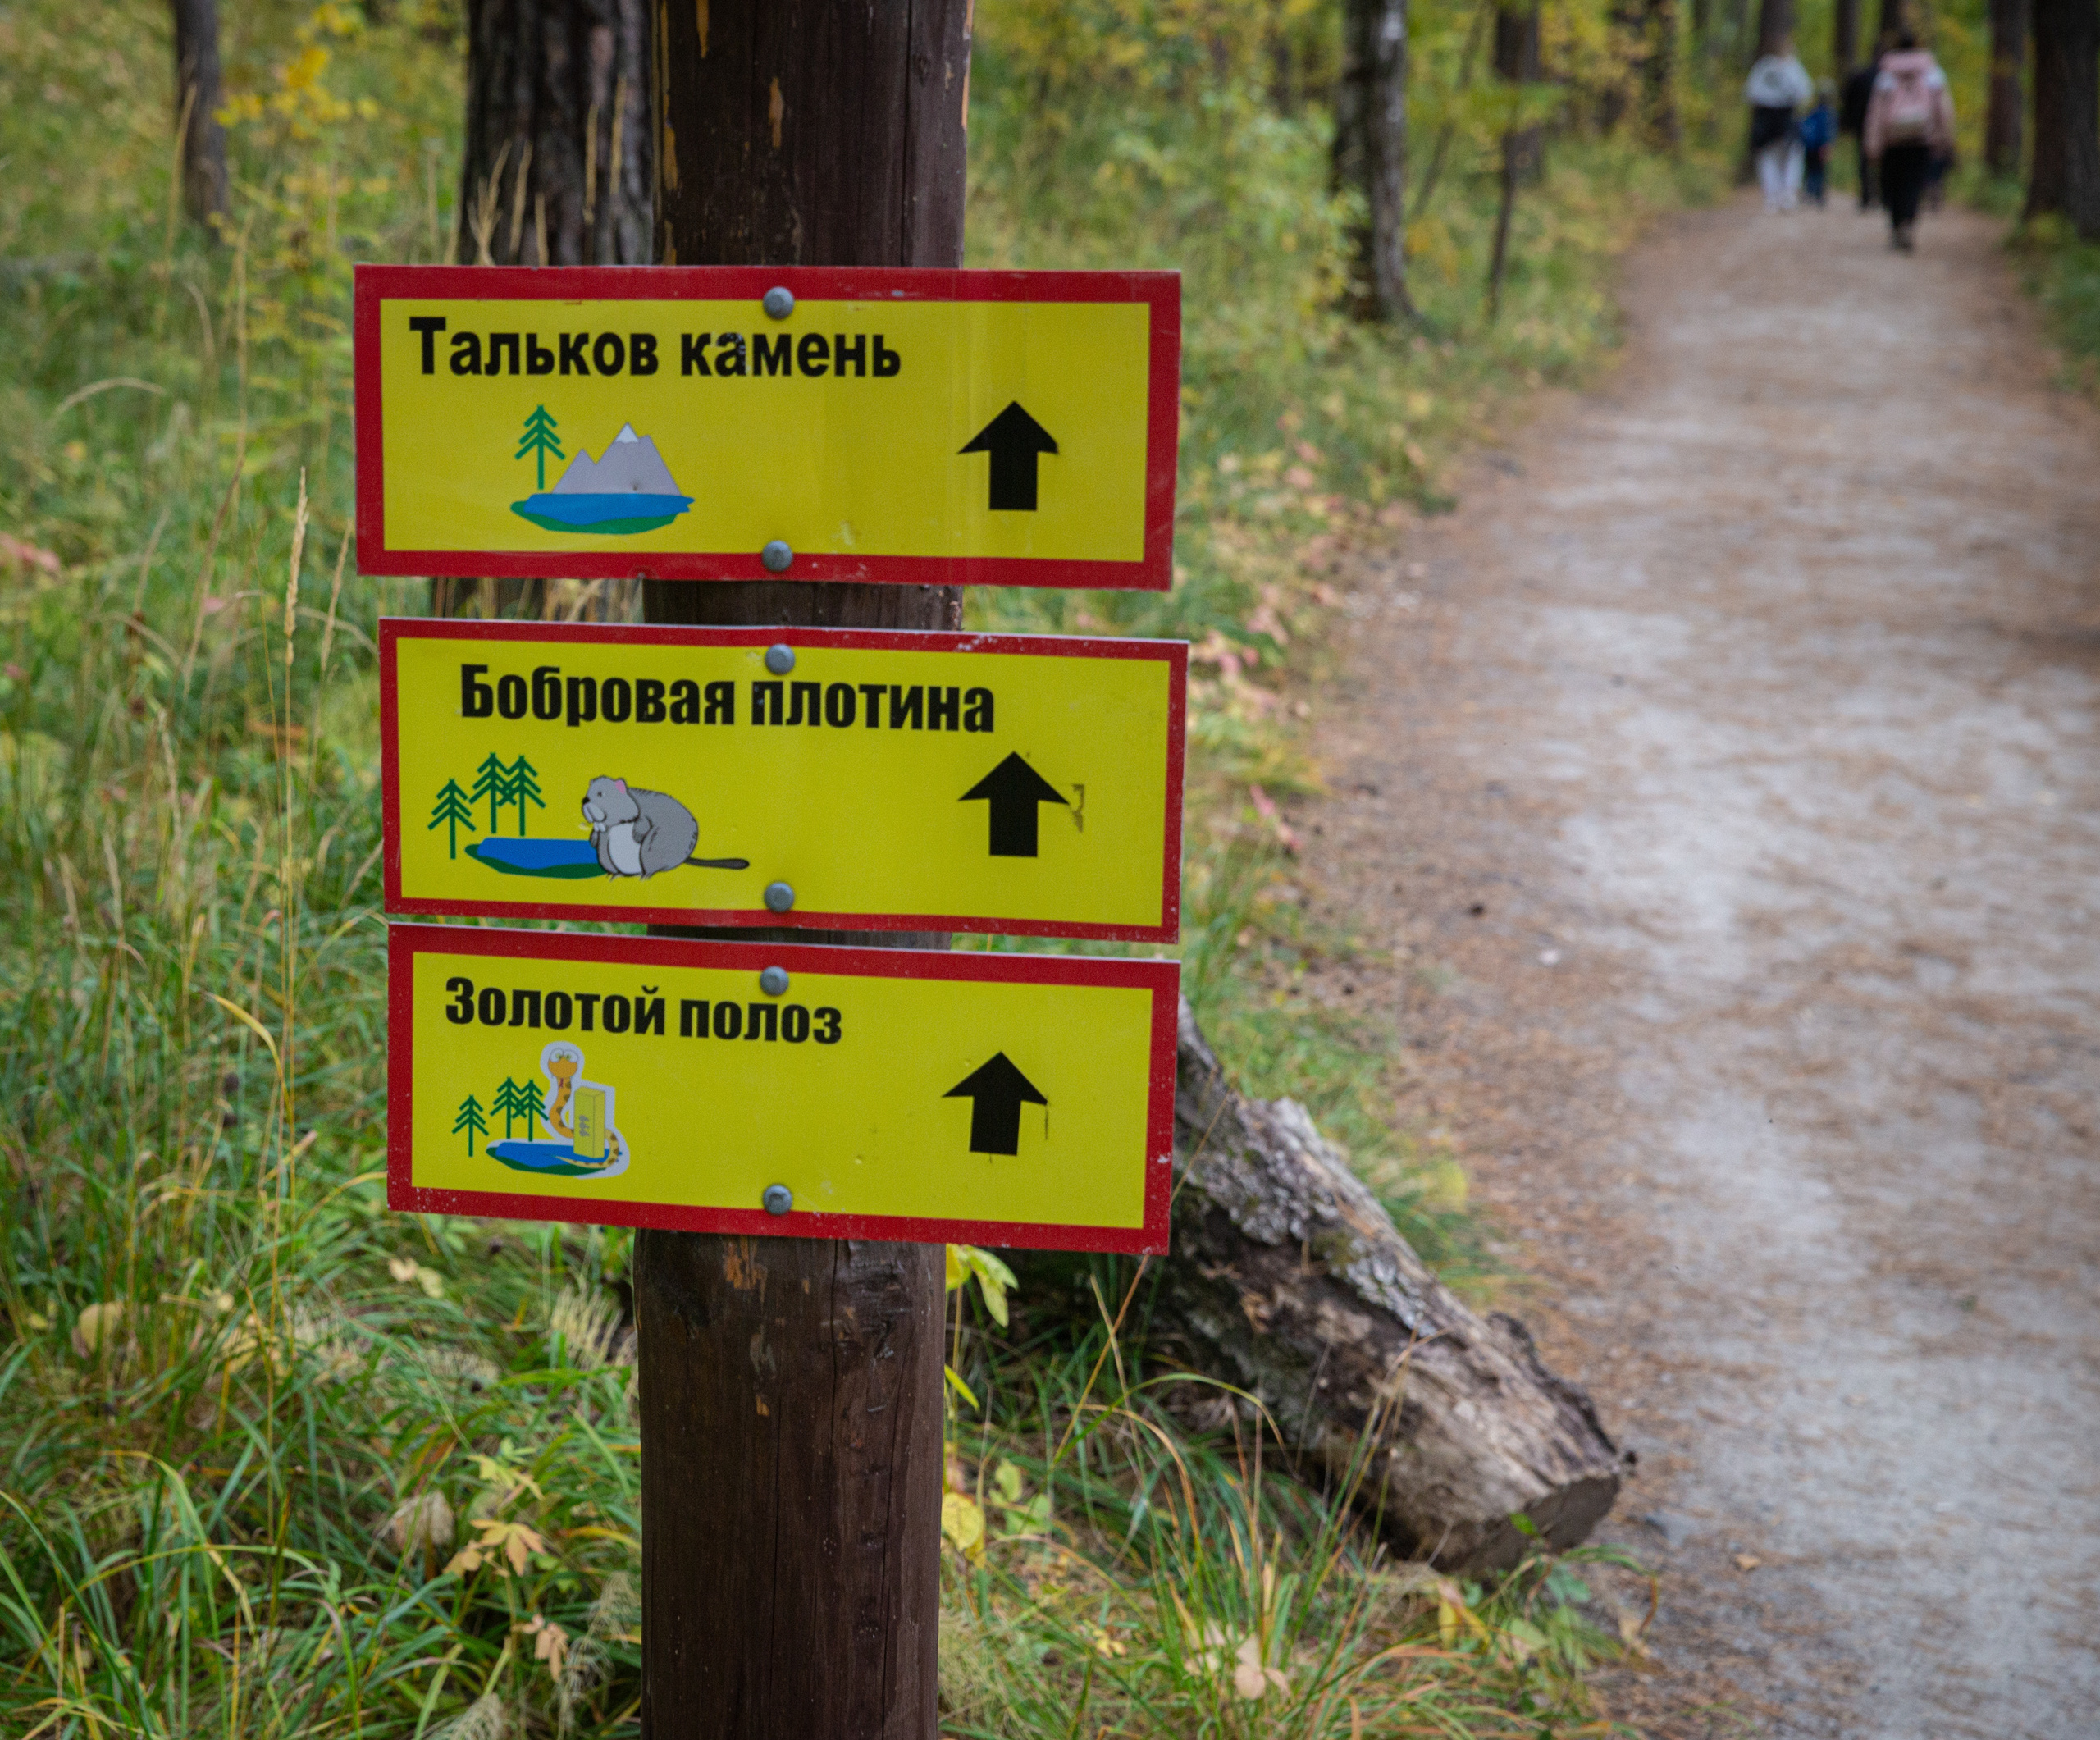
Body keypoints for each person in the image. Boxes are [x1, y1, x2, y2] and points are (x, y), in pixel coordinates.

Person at [1865, 29, 1955, 251]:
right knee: (1914, 184)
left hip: (1892, 140)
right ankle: (1909, 223)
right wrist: (1946, 136)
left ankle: (1896, 226)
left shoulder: (1886, 74)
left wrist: (1873, 143)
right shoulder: (1932, 73)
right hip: (1921, 137)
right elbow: (1943, 109)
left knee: (1893, 183)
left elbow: (1876, 112)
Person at [1746, 38, 1816, 212]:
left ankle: (1783, 195)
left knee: (1784, 156)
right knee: (1779, 156)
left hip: (1779, 116)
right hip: (1778, 116)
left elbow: (1750, 93)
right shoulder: (1788, 67)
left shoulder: (1767, 67)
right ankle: (1778, 195)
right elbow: (1805, 94)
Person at [1840, 40, 1887, 210]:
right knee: (1885, 161)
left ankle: (1867, 196)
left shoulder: (1861, 75)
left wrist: (1845, 123)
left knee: (1864, 161)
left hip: (1862, 125)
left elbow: (1847, 101)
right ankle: (1882, 196)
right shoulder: (1888, 77)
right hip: (1886, 127)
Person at [1800, 80, 1838, 207]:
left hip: (1809, 146)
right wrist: (1827, 145)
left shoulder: (1813, 112)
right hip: (1820, 146)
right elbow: (1828, 132)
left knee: (1811, 170)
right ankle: (1817, 195)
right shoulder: (1828, 113)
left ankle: (1810, 192)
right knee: (1820, 171)